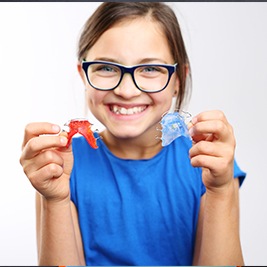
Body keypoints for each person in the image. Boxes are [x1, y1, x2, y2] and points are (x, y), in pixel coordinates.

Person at [20, 2, 246, 266]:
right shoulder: (61, 166)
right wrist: (55, 199)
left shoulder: (209, 165)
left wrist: (219, 191)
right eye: (106, 67)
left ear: (178, 80)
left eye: (150, 69)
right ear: (83, 75)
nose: (127, 91)